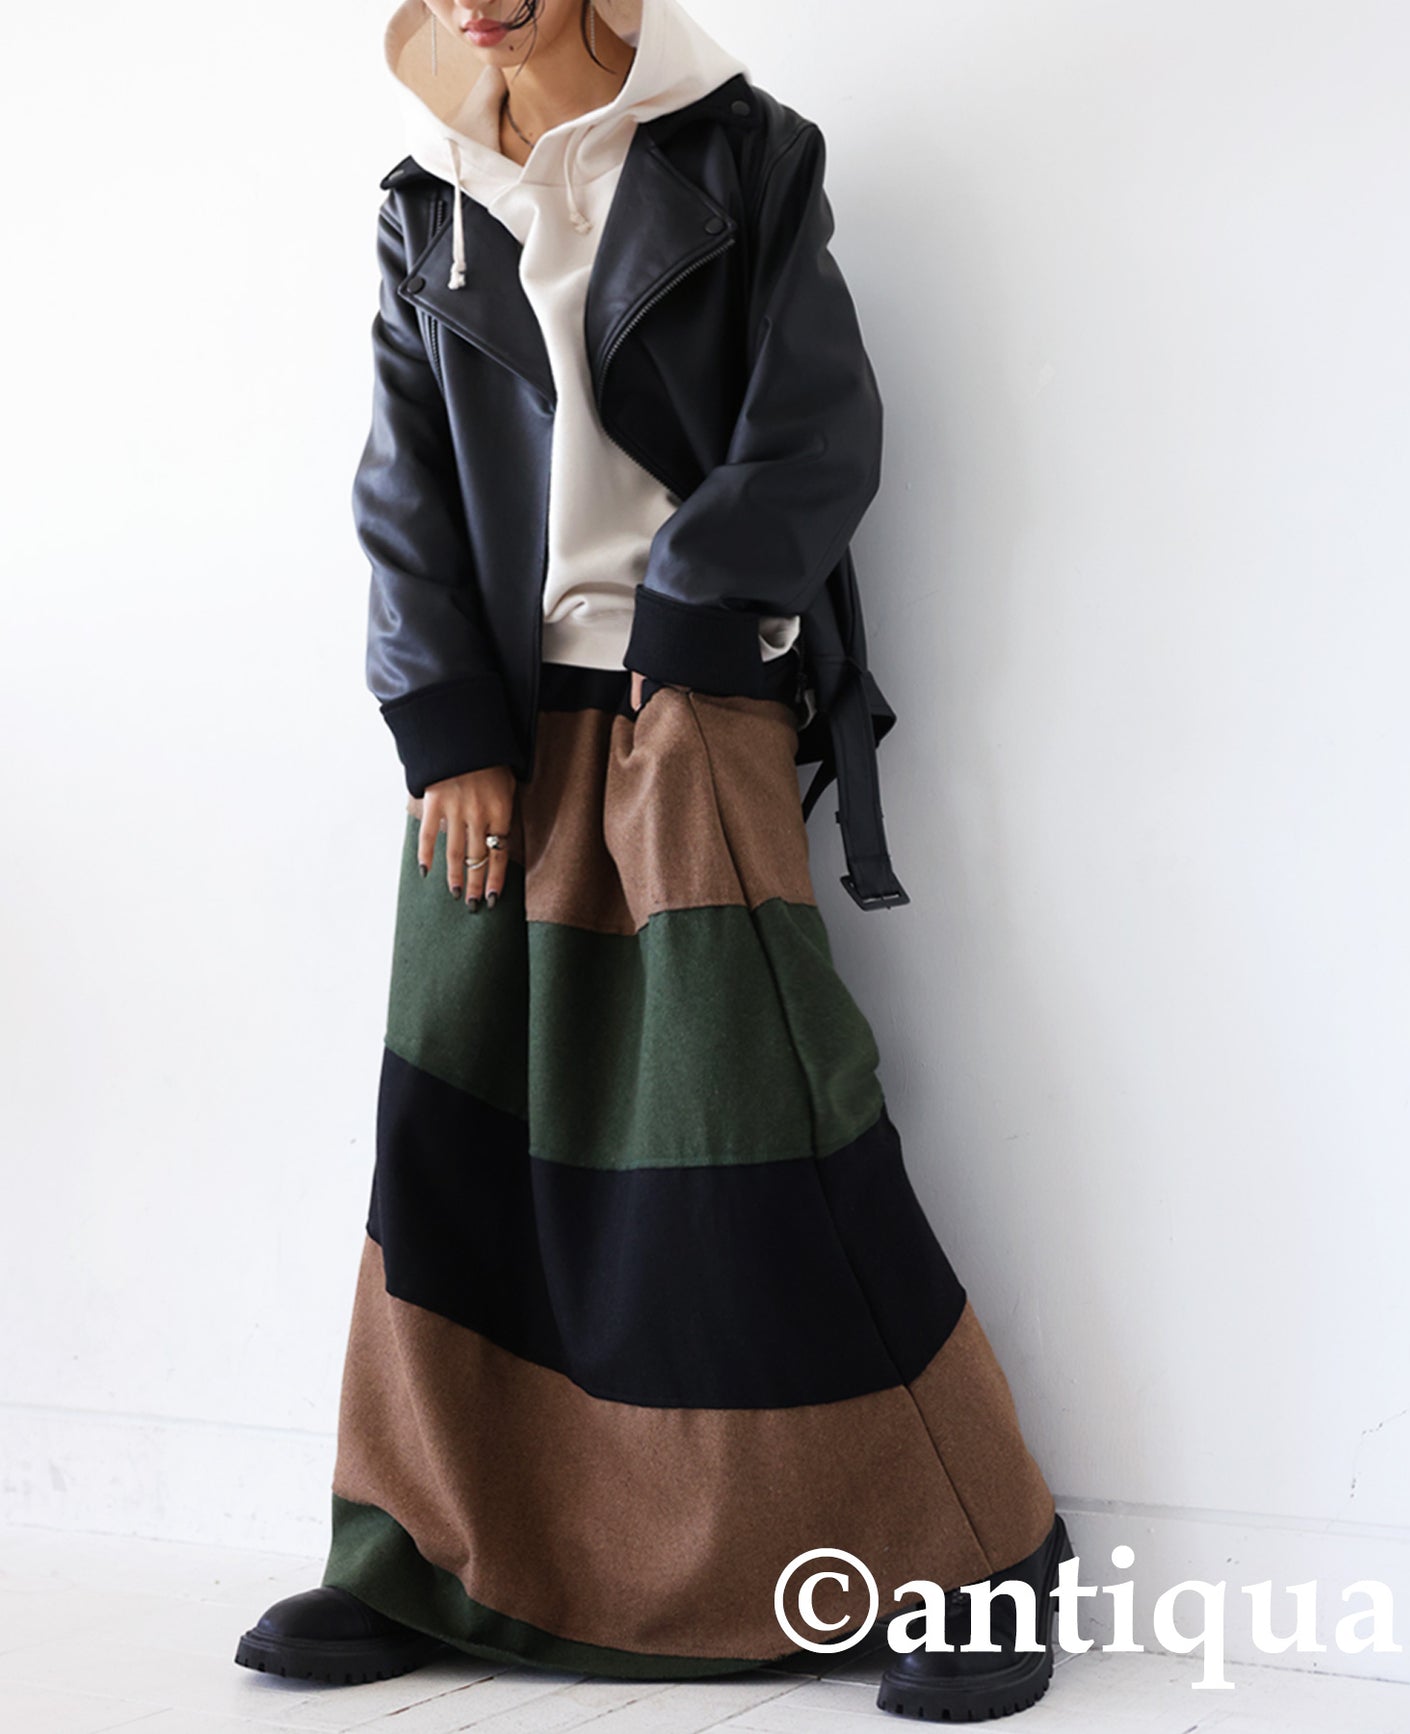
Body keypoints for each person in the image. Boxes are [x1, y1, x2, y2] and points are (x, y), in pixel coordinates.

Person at [232, 0, 1073, 1721]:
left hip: (688, 696)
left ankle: (979, 1554)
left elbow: (817, 425)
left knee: (762, 1128)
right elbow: (404, 487)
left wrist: (691, 640)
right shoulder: (427, 201)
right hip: (496, 728)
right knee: (453, 1139)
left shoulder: (742, 153)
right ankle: (421, 1550)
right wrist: (442, 725)